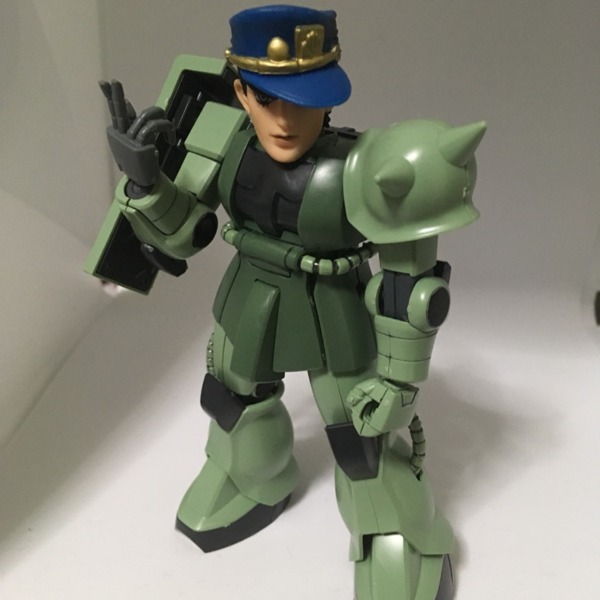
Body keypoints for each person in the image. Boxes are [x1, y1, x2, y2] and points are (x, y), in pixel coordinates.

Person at [88, 5, 485, 599]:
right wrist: (148, 187)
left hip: (336, 313)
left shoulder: (366, 166)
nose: (284, 119)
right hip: (249, 297)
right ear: (241, 93)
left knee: (362, 433)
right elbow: (187, 232)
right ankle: (254, 476)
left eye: (304, 101)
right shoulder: (225, 142)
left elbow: (412, 288)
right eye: (268, 99)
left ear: (330, 98)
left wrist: (398, 381)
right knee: (231, 397)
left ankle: (397, 534)